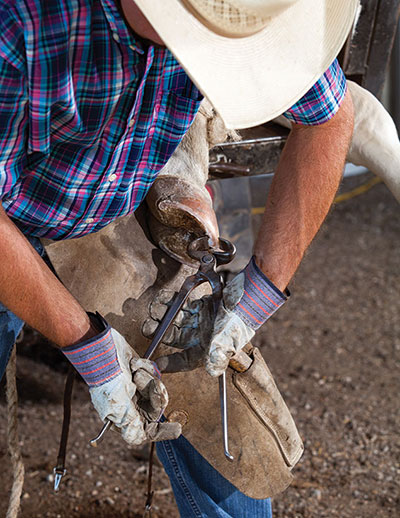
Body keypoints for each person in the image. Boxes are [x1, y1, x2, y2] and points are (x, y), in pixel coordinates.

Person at [0, 0, 358, 516]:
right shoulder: (25, 23)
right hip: (12, 218)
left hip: (115, 213)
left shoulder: (252, 12)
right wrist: (86, 344)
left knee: (227, 414)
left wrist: (256, 296)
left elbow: (329, 119)